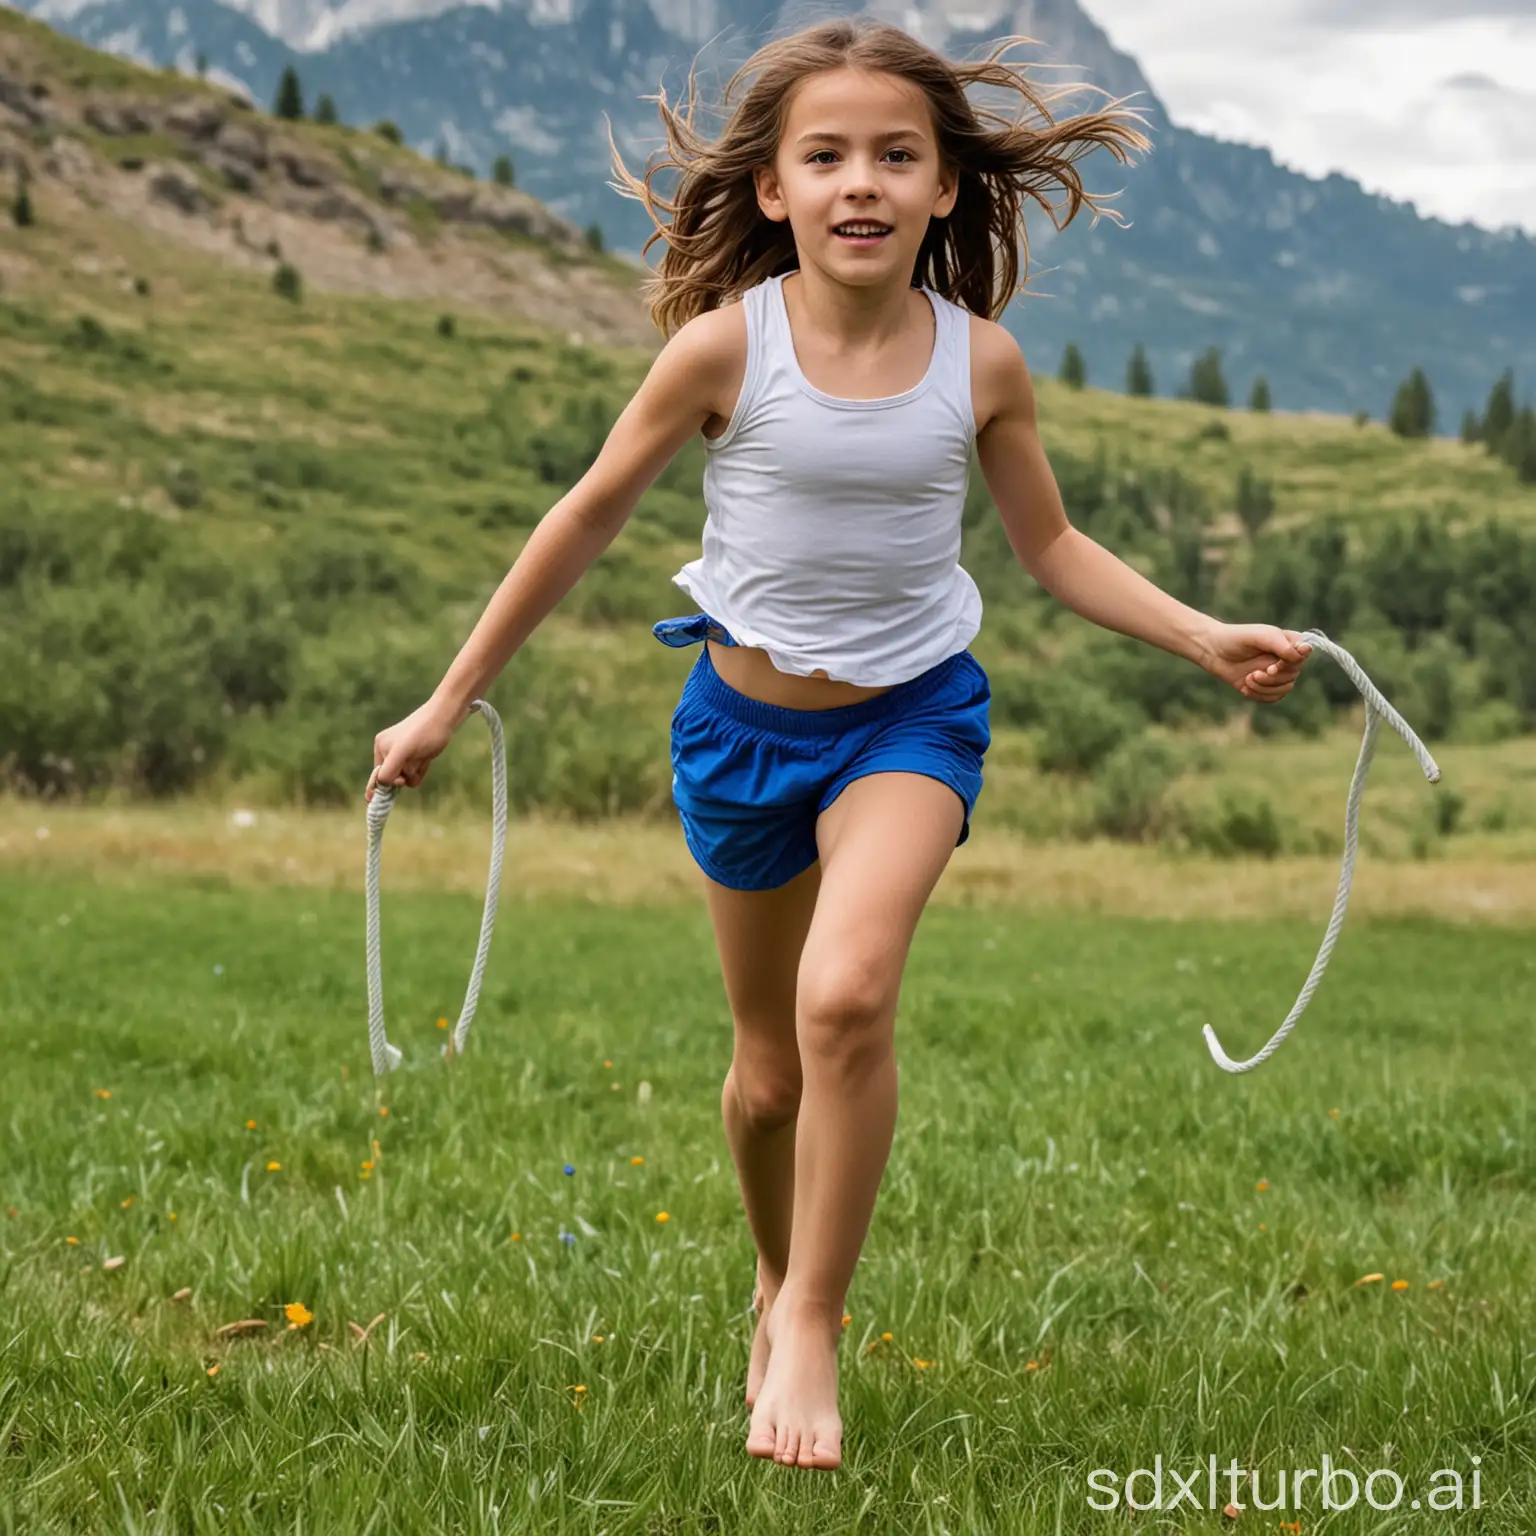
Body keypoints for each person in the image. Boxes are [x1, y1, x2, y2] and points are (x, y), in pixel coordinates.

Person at [368, 17, 1312, 1473]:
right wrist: (446, 699)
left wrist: (1202, 634)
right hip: (744, 734)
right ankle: (769, 1270)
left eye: (896, 155)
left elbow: (1048, 545)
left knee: (847, 997)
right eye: (826, 156)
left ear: (944, 188)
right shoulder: (719, 352)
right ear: (771, 191)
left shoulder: (980, 363)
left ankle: (811, 1318)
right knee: (764, 1075)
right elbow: (585, 518)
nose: (860, 181)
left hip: (912, 718)